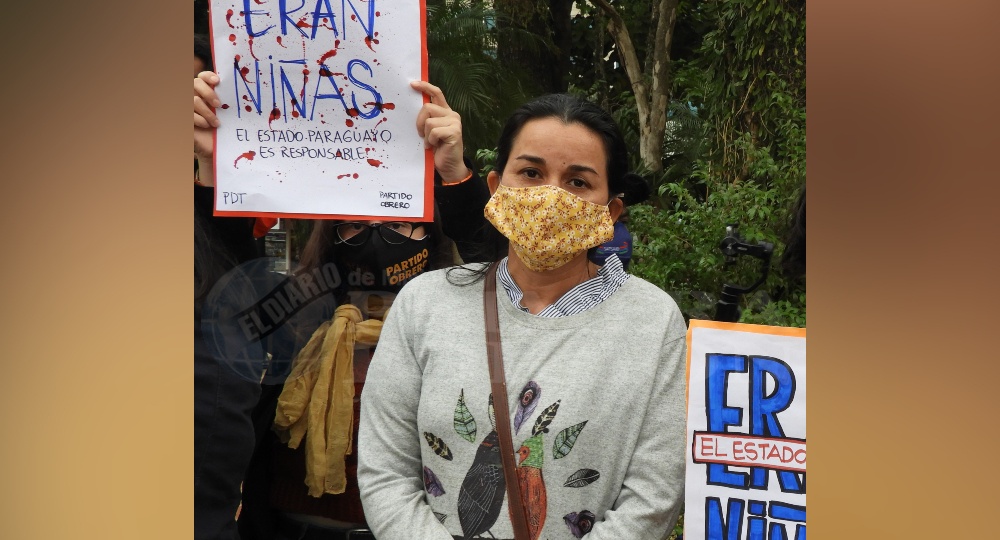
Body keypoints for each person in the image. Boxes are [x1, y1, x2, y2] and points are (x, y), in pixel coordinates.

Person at [357, 94, 687, 539]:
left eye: (578, 182)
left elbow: (654, 498)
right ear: (496, 188)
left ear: (610, 211)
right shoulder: (424, 304)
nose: (551, 196)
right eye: (531, 173)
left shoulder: (654, 322)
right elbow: (386, 474)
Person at [194, 70, 491, 540]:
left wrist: (455, 175)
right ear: (331, 234)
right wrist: (215, 172)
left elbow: (500, 269)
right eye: (354, 224)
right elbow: (223, 290)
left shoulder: (464, 317)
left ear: (431, 231)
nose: (374, 236)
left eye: (397, 222)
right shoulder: (294, 311)